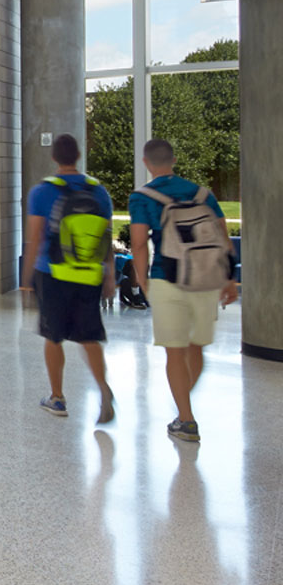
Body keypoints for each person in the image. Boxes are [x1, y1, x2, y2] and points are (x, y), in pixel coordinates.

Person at [128, 138, 240, 442]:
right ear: (174, 160)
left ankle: (186, 419)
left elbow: (138, 242)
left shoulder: (142, 197)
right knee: (196, 349)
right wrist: (229, 278)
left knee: (174, 353)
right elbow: (222, 237)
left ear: (146, 163)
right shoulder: (202, 193)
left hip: (168, 278)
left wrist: (143, 280)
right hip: (205, 278)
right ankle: (182, 409)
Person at [21, 133, 116, 423]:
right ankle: (102, 388)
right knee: (89, 337)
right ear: (78, 155)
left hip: (53, 273)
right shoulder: (98, 191)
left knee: (53, 337)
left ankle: (58, 398)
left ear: (54, 158)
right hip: (89, 274)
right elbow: (107, 237)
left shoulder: (43, 191)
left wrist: (27, 278)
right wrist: (109, 276)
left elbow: (35, 237)